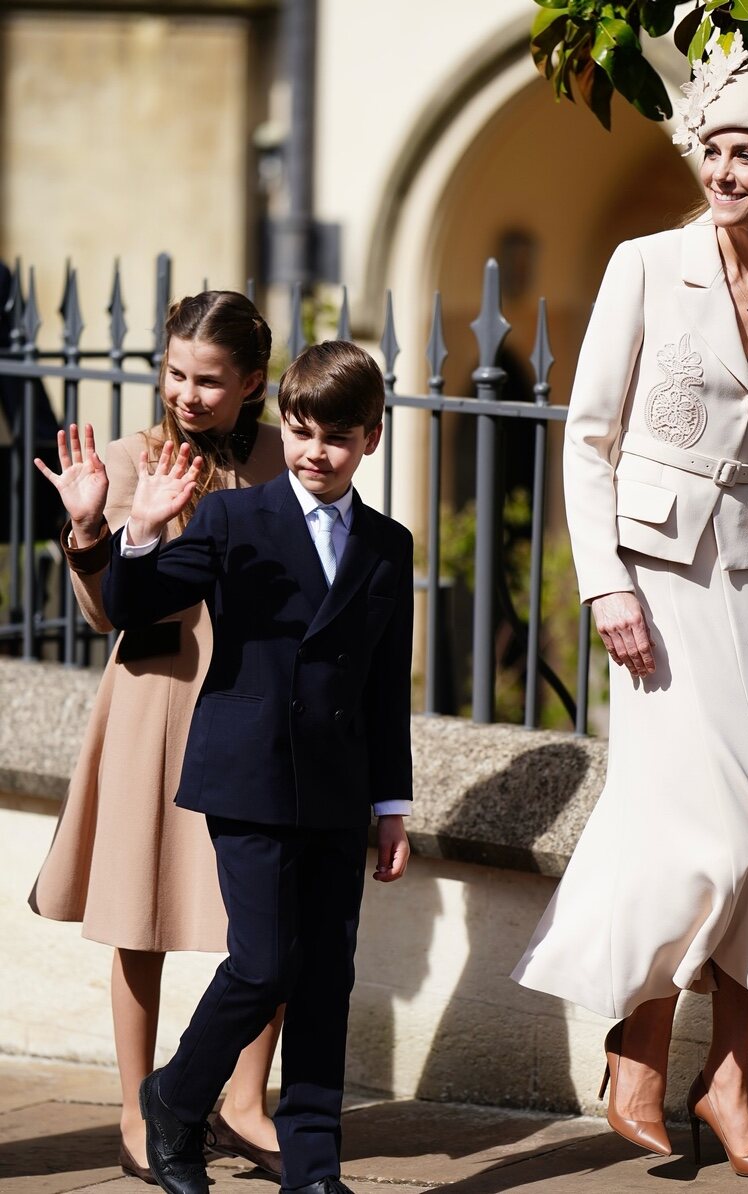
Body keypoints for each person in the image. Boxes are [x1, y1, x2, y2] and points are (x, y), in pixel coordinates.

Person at [512, 37, 748, 1178]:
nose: (722, 172)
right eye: (713, 151)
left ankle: (725, 1085)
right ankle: (637, 1049)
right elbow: (589, 440)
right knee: (705, 836)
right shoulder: (642, 264)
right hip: (656, 588)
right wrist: (606, 582)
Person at [101, 339, 414, 1194]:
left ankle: (311, 1167)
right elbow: (135, 606)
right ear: (286, 426)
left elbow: (387, 687)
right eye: (303, 432)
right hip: (247, 774)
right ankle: (175, 1097)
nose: (316, 452)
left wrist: (392, 806)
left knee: (324, 979)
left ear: (371, 440)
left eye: (338, 438)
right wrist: (136, 529)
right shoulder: (234, 518)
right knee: (265, 963)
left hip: (339, 789)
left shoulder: (389, 546)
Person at [29, 290, 287, 1180]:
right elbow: (108, 615)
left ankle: (246, 1100)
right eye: (175, 372)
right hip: (158, 703)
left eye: (209, 380)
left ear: (252, 382)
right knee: (142, 917)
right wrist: (97, 527)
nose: (187, 393)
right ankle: (138, 1111)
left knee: (271, 918)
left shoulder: (282, 454)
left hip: (256, 705)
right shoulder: (133, 458)